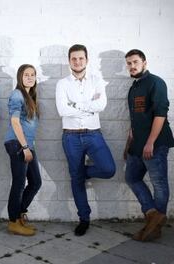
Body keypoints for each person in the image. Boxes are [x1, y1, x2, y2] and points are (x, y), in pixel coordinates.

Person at [55, 44, 116, 236]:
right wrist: (89, 106)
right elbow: (62, 110)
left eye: (81, 58)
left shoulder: (97, 80)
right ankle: (84, 218)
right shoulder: (62, 84)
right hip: (71, 136)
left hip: (93, 133)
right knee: (76, 179)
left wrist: (75, 104)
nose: (77, 61)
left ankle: (84, 173)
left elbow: (102, 104)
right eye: (74, 58)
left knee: (108, 169)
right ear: (69, 61)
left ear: (87, 60)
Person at [123, 49, 174, 242]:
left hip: (156, 143)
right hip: (137, 145)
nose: (132, 66)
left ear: (144, 62)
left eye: (135, 62)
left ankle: (154, 227)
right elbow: (135, 119)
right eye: (128, 63)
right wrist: (128, 144)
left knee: (159, 183)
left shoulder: (156, 82)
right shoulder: (134, 87)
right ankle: (154, 215)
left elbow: (161, 114)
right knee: (131, 177)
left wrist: (150, 142)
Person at [4, 64, 42, 236]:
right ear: (20, 77)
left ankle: (19, 215)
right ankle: (13, 221)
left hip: (27, 145)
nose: (30, 77)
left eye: (32, 75)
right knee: (19, 184)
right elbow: (15, 122)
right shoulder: (17, 94)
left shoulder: (29, 96)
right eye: (26, 74)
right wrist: (25, 147)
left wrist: (29, 146)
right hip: (18, 144)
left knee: (35, 182)